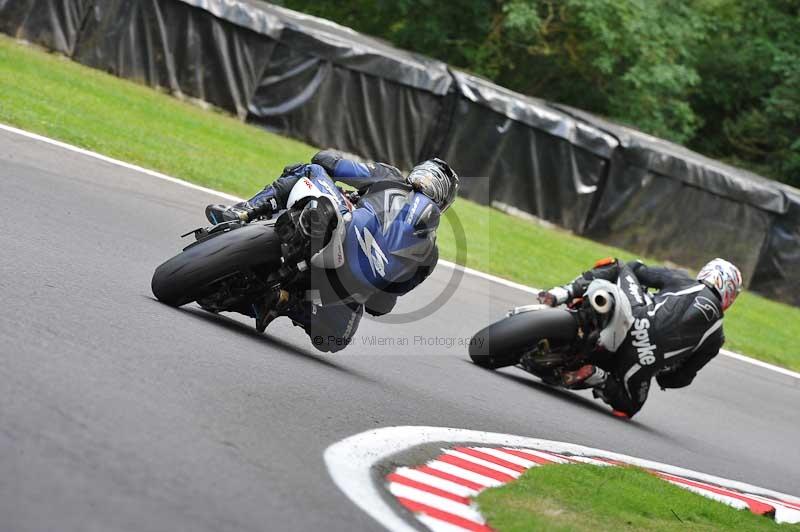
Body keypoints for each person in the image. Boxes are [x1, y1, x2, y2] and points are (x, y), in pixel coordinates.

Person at [205, 150, 458, 353]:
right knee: (335, 339)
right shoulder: (428, 253)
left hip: (337, 226)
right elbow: (382, 304)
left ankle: (244, 211)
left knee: (306, 169)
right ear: (444, 204)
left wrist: (344, 183)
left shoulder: (388, 176)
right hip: (336, 289)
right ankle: (286, 300)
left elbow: (326, 162)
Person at [537, 257, 742, 418]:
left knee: (618, 266)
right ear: (730, 296)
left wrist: (637, 282)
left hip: (635, 316)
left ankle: (562, 293)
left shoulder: (682, 279)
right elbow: (679, 378)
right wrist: (663, 371)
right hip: (640, 363)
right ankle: (599, 376)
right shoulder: (716, 338)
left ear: (706, 272)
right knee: (629, 407)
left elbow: (637, 270)